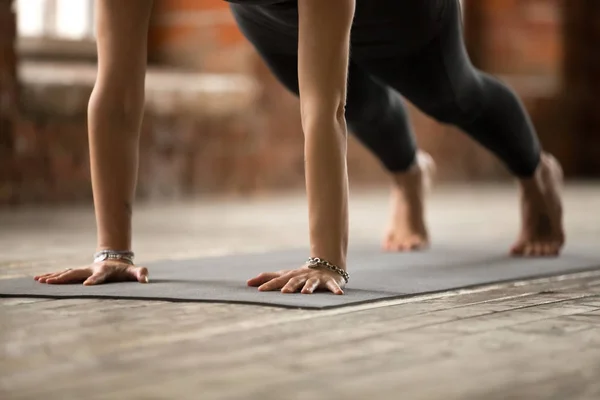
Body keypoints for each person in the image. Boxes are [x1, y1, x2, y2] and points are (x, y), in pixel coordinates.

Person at [34, 0, 565, 296]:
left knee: (455, 97)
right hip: (273, 13)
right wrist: (114, 252)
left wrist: (326, 262)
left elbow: (322, 107)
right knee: (361, 106)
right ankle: (409, 175)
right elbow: (118, 91)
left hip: (403, 16)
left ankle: (538, 174)